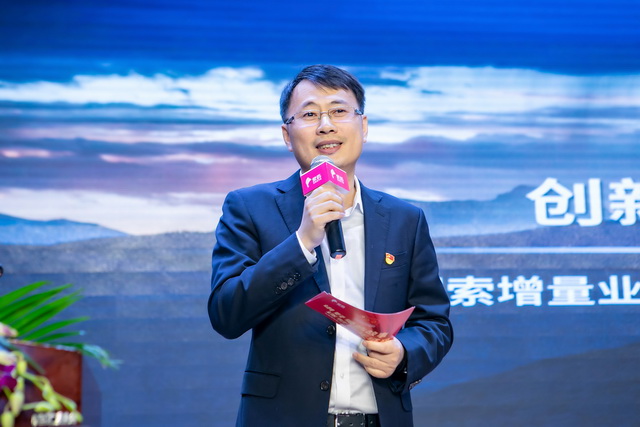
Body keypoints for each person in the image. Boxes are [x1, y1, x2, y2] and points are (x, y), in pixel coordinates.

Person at [208, 64, 453, 427]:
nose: (326, 125)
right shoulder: (249, 207)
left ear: (363, 126)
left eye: (339, 111)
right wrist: (303, 242)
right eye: (309, 114)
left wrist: (404, 353)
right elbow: (226, 313)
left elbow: (433, 321)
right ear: (287, 134)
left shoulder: (405, 219)